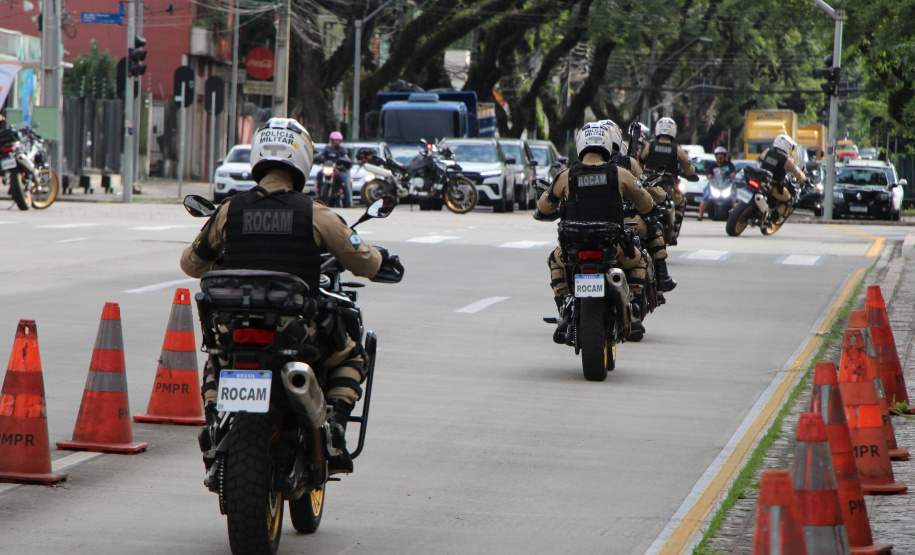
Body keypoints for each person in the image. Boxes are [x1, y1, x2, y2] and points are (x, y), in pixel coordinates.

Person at [180, 118, 403, 474]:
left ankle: (211, 426)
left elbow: (191, 264)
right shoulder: (314, 213)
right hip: (293, 332)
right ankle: (335, 429)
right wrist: (381, 261)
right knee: (352, 354)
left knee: (216, 360)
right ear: (301, 160)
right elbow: (363, 262)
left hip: (235, 328)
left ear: (258, 157)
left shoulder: (229, 211)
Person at [535, 122, 655, 342]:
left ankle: (563, 310)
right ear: (608, 146)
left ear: (581, 145)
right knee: (640, 261)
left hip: (573, 251)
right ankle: (635, 313)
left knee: (555, 260)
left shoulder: (567, 175)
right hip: (612, 249)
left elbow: (544, 207)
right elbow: (646, 204)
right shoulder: (620, 173)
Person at [599, 119, 676, 293]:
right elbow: (644, 188)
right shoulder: (627, 164)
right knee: (654, 230)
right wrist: (660, 198)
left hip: (591, 225)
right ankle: (662, 277)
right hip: (627, 219)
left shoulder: (579, 168)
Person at [638, 117, 696, 245]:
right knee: (680, 202)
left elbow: (640, 161)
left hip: (649, 188)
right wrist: (691, 173)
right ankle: (674, 229)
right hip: (668, 190)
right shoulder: (677, 150)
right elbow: (689, 169)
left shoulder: (649, 146)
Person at [757, 134, 810, 227]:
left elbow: (760, 158)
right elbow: (797, 172)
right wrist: (806, 180)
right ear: (786, 146)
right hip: (773, 186)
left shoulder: (767, 152)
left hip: (760, 182)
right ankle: (771, 219)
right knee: (789, 200)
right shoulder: (785, 159)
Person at [314, 131, 354, 207]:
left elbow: (346, 158)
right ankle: (318, 193)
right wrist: (316, 160)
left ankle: (347, 202)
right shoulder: (327, 149)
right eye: (335, 140)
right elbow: (321, 155)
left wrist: (345, 162)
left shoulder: (342, 150)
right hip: (328, 168)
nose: (337, 142)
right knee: (319, 174)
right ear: (331, 140)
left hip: (338, 170)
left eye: (338, 140)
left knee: (344, 180)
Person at [697, 146, 737, 221]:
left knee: (734, 197)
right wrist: (709, 175)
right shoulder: (712, 166)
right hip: (714, 185)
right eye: (718, 155)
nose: (720, 156)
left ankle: (734, 217)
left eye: (722, 155)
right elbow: (708, 174)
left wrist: (733, 174)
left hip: (727, 185)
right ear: (716, 156)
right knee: (705, 196)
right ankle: (700, 215)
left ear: (725, 156)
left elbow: (733, 172)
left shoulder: (729, 165)